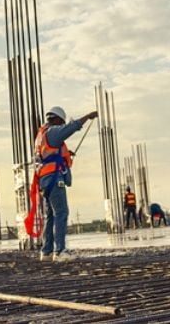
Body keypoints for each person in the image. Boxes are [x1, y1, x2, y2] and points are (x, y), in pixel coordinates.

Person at [34, 106, 98, 261]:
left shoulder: (41, 135)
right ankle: (60, 251)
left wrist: (65, 155)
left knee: (50, 215)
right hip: (54, 178)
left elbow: (48, 155)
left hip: (44, 180)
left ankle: (47, 251)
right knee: (61, 213)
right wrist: (87, 116)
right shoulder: (53, 132)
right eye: (61, 122)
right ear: (56, 120)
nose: (61, 125)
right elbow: (71, 128)